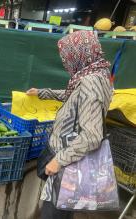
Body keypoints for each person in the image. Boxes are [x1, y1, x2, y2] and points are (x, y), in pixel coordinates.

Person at [26, 30, 112, 219]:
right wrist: (42, 92)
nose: (65, 62)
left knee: (55, 211)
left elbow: (92, 136)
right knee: (63, 208)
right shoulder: (96, 72)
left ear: (79, 54)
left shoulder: (91, 83)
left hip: (68, 163)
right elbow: (73, 95)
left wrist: (59, 160)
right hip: (68, 158)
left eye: (67, 56)